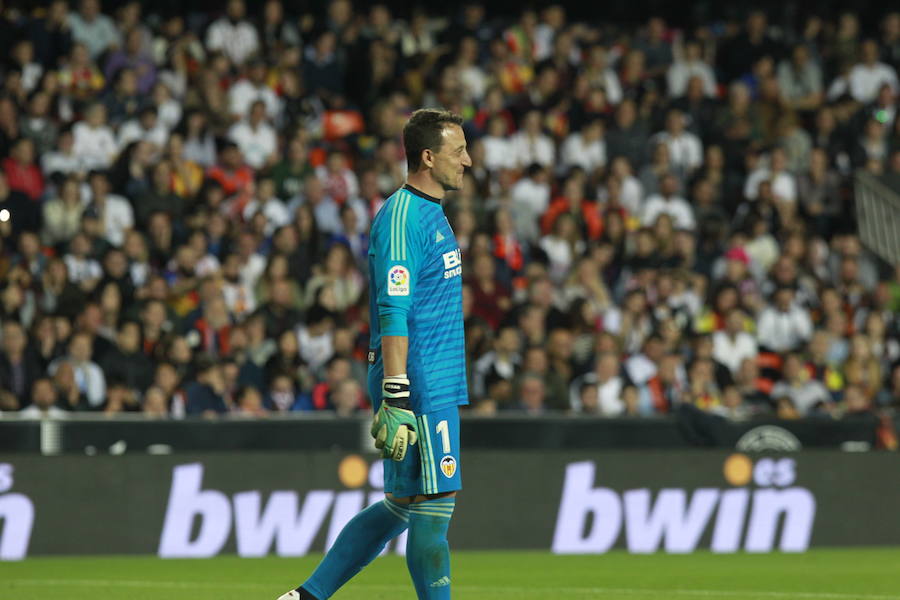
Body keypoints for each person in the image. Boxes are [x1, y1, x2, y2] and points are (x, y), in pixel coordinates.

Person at [280, 109, 471, 600]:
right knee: (435, 504)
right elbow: (393, 305)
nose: (467, 161)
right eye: (458, 151)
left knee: (402, 504)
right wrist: (397, 389)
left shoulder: (429, 212)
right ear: (427, 157)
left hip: (429, 374)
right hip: (418, 378)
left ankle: (306, 597)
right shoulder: (404, 216)